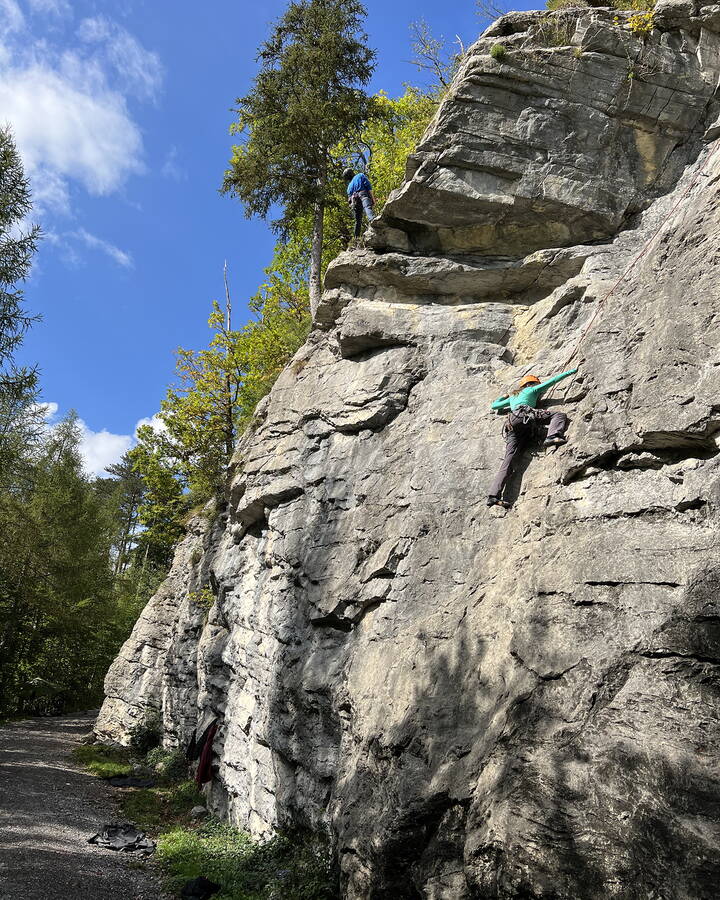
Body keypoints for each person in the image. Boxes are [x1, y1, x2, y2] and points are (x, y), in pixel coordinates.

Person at [487, 367, 579, 508]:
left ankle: (493, 496)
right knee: (559, 415)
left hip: (512, 424)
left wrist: (505, 397)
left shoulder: (513, 397)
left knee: (508, 461)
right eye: (537, 384)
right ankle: (552, 436)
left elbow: (495, 406)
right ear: (532, 384)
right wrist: (573, 371)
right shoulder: (531, 390)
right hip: (525, 415)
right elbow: (553, 381)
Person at [343, 167, 375, 245]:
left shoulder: (349, 187)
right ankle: (373, 221)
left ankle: (356, 238)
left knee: (358, 220)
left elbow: (349, 199)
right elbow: (368, 186)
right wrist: (373, 199)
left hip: (355, 200)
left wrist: (352, 206)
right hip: (363, 194)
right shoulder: (360, 175)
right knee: (367, 207)